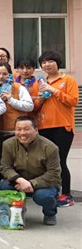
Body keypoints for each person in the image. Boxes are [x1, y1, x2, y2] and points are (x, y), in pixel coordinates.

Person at [0, 116, 62, 225]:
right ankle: (16, 211)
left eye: (26, 129)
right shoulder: (8, 144)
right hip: (19, 181)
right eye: (19, 129)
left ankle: (50, 213)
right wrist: (19, 180)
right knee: (4, 187)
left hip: (44, 183)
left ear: (36, 130)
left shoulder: (50, 147)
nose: (22, 133)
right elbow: (5, 167)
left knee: (43, 196)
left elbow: (53, 173)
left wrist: (31, 183)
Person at [36, 50, 78, 207]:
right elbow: (36, 106)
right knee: (45, 162)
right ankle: (51, 191)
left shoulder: (67, 80)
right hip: (44, 127)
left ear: (57, 63)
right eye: (44, 62)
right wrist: (41, 98)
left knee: (60, 161)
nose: (47, 64)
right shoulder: (40, 83)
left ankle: (67, 195)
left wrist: (53, 90)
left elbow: (73, 101)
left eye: (50, 61)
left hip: (62, 126)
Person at [0, 62, 34, 140]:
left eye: (5, 74)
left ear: (10, 75)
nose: (1, 76)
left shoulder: (18, 87)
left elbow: (29, 106)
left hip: (15, 131)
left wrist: (11, 100)